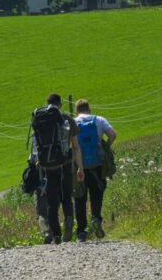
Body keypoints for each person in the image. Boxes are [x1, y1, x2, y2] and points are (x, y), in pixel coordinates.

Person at [30, 93, 83, 244]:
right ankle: (68, 230)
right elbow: (76, 147)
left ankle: (56, 235)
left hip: (47, 165)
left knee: (52, 201)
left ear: (47, 103)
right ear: (60, 104)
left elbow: (35, 146)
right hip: (65, 163)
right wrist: (80, 168)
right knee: (66, 197)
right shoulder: (67, 119)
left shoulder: (40, 119)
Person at [73, 99, 116, 242]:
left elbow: (70, 144)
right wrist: (106, 147)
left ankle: (81, 232)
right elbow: (112, 135)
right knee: (96, 194)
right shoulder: (99, 120)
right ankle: (96, 218)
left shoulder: (72, 123)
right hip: (97, 165)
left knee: (80, 198)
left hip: (79, 167)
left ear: (76, 111)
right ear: (88, 109)